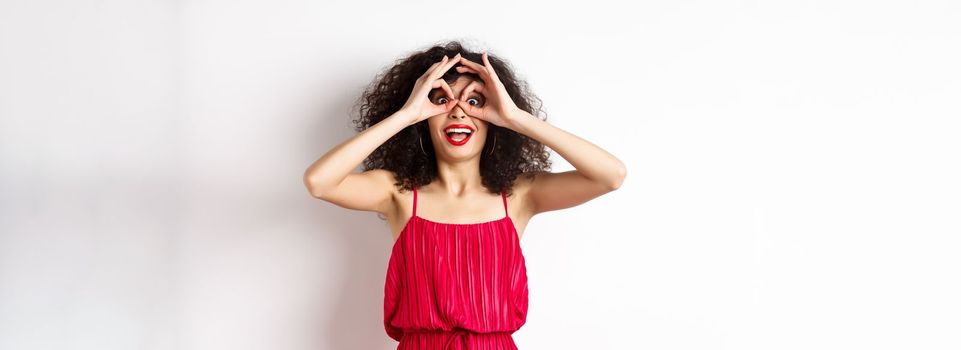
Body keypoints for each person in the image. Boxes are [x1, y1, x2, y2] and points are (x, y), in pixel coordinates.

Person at [303, 41, 626, 349]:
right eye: (441, 100)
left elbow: (610, 176)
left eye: (474, 102)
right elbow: (320, 182)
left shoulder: (519, 194)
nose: (458, 112)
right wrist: (406, 115)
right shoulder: (397, 192)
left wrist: (515, 117)